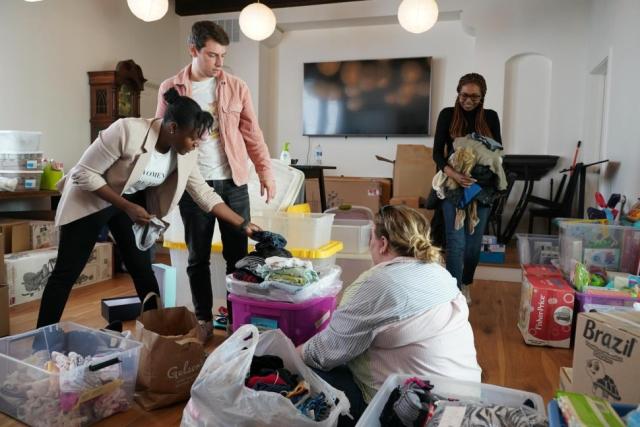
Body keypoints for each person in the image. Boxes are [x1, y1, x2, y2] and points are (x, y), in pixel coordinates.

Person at [36, 89, 260, 332]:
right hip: (91, 197)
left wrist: (242, 223)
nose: (197, 144)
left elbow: (203, 194)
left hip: (127, 201)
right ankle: (40, 339)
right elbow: (83, 173)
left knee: (142, 269)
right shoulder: (127, 131)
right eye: (193, 138)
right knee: (66, 272)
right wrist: (127, 206)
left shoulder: (185, 153)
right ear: (173, 128)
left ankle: (160, 336)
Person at [299, 205, 481, 426]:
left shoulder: (378, 283)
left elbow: (325, 352)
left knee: (304, 371)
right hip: (467, 405)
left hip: (414, 413)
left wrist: (292, 351)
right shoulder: (440, 273)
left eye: (371, 239)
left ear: (383, 244)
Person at [156, 20, 275, 327]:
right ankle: (204, 321)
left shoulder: (237, 86)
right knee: (197, 259)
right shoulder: (171, 89)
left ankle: (238, 322)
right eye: (212, 55)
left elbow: (252, 133)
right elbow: (161, 135)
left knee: (239, 260)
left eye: (223, 55)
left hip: (233, 182)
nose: (220, 63)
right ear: (193, 50)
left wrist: (265, 171)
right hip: (192, 184)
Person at [432, 72, 502, 302]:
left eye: (475, 96)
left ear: (482, 97)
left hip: (482, 188)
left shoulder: (490, 117)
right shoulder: (448, 115)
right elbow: (437, 154)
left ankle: (466, 281)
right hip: (453, 186)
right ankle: (454, 291)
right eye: (464, 95)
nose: (469, 100)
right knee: (456, 243)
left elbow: (497, 152)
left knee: (473, 246)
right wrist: (454, 173)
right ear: (458, 93)